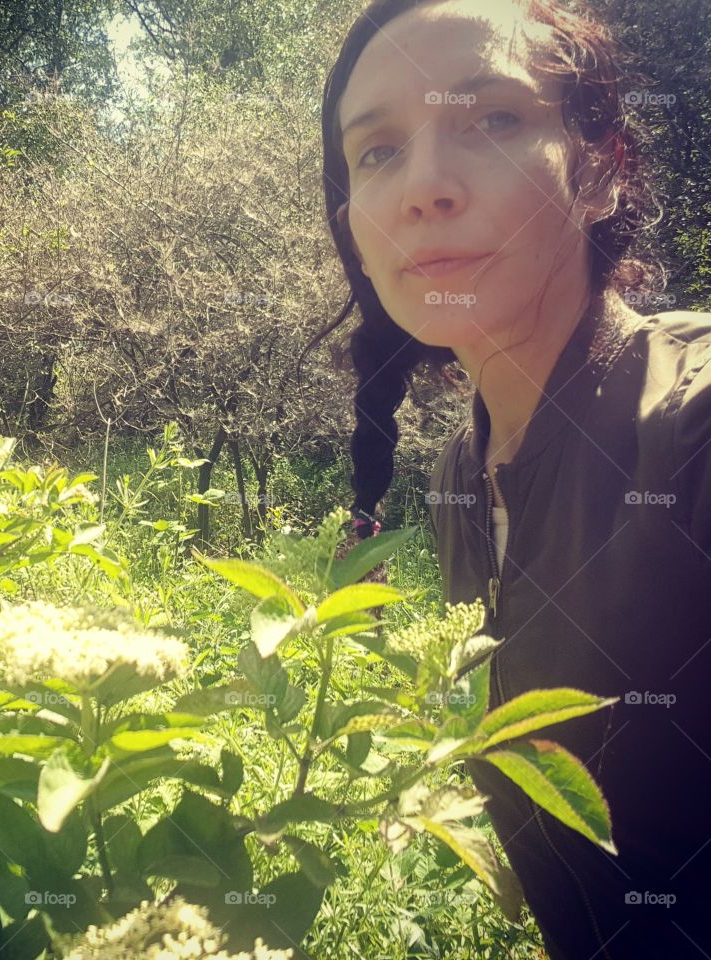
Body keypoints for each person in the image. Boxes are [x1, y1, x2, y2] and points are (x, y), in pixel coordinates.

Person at [298, 0, 711, 957]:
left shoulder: (689, 424)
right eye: (378, 151)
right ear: (354, 225)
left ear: (600, 168)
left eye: (494, 120)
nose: (426, 185)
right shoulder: (458, 475)